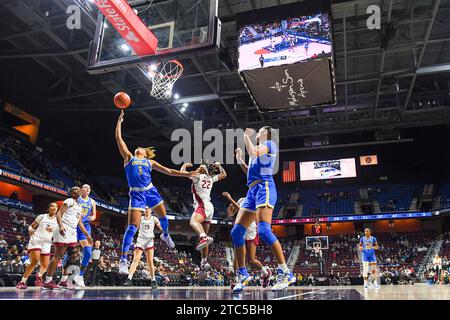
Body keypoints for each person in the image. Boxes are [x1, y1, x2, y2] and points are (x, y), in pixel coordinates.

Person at [115, 110, 197, 275]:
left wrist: (187, 174)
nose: (140, 148)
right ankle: (123, 260)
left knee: (164, 217)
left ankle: (166, 235)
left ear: (145, 153)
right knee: (132, 228)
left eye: (143, 148)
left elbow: (169, 171)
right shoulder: (129, 158)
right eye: (139, 147)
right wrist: (119, 123)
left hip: (150, 191)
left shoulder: (149, 162)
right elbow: (119, 139)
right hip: (136, 194)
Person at [231, 127, 294, 293]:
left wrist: (246, 137)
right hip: (252, 190)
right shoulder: (257, 150)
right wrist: (239, 160)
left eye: (259, 130)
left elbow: (252, 151)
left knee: (264, 231)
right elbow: (250, 172)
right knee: (236, 232)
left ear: (266, 133)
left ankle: (285, 272)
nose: (257, 131)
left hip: (264, 187)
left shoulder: (270, 144)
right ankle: (243, 274)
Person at [41, 187, 93, 290]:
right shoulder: (69, 201)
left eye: (79, 189)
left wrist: (87, 235)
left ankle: (63, 280)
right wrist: (60, 226)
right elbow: (59, 214)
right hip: (64, 227)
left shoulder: (79, 206)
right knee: (58, 255)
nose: (78, 190)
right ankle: (47, 281)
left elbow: (79, 222)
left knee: (72, 255)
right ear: (72, 193)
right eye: (75, 190)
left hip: (73, 231)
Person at [181, 161, 226, 270]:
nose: (198, 167)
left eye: (200, 166)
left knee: (193, 222)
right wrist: (219, 166)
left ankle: (204, 237)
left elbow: (182, 172)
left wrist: (185, 165)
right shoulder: (210, 178)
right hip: (210, 207)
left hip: (202, 204)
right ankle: (204, 261)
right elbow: (224, 174)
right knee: (203, 233)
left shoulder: (198, 176)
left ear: (204, 169)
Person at [222, 191, 271, 289]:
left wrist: (229, 198)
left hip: (252, 228)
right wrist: (230, 211)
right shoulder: (241, 200)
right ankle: (237, 278)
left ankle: (265, 273)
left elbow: (242, 211)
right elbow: (234, 212)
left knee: (252, 260)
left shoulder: (255, 201)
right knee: (237, 254)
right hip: (241, 226)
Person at [15, 203, 59, 289]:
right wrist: (31, 230)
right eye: (52, 206)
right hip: (36, 240)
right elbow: (31, 226)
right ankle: (22, 282)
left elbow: (58, 233)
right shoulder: (42, 216)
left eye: (56, 206)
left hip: (47, 242)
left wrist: (54, 232)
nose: (54, 207)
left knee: (45, 265)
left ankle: (39, 276)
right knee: (34, 261)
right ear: (48, 208)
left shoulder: (58, 220)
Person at [124, 207, 161, 288]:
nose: (147, 209)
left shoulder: (154, 219)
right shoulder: (140, 218)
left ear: (151, 210)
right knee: (136, 259)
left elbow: (161, 227)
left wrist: (165, 232)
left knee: (150, 262)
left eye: (148, 208)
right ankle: (129, 279)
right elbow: (134, 228)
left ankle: (153, 280)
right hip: (140, 240)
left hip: (149, 241)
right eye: (146, 208)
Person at [68, 184, 96, 287]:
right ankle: (64, 278)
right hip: (74, 225)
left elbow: (94, 216)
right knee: (69, 251)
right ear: (81, 189)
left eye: (89, 188)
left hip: (86, 226)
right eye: (85, 187)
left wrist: (91, 218)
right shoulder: (76, 198)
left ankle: (80, 276)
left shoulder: (92, 201)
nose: (87, 189)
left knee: (88, 252)